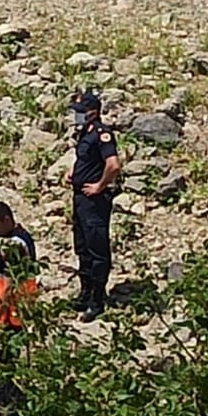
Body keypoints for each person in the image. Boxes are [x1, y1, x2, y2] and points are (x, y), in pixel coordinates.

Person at [66, 91, 122, 321]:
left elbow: (114, 165)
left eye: (79, 112)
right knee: (82, 247)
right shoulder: (85, 133)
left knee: (97, 248)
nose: (75, 116)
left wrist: (99, 186)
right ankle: (85, 292)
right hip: (80, 197)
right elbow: (86, 160)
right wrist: (73, 173)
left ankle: (97, 299)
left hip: (94, 201)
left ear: (92, 112)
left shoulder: (102, 133)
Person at [0, 201, 38, 332]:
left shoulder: (14, 247)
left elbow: (9, 286)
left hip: (10, 308)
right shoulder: (20, 234)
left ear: (7, 219)